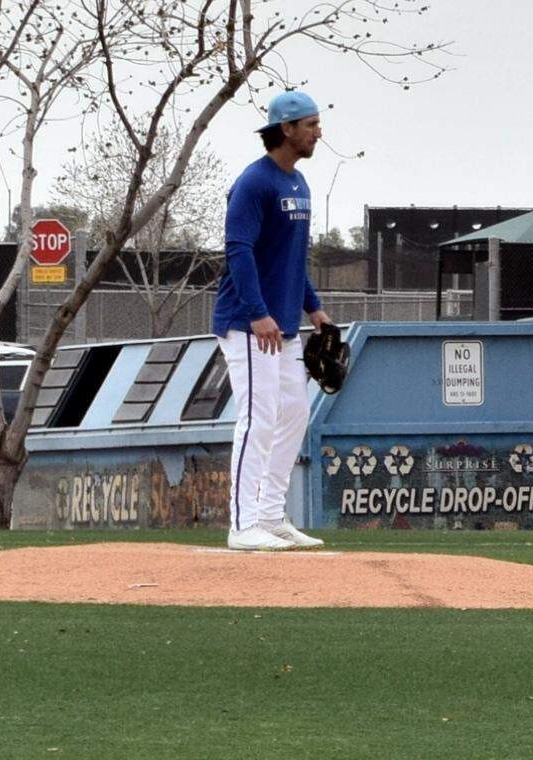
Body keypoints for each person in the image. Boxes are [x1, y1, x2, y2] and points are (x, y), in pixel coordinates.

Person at [213, 90, 333, 551]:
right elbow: (237, 250)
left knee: (294, 414)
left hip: (283, 322)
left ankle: (270, 515)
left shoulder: (298, 184)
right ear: (286, 128)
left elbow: (292, 258)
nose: (317, 133)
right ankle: (242, 524)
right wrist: (258, 312)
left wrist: (313, 307)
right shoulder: (254, 183)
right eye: (310, 124)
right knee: (257, 417)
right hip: (248, 323)